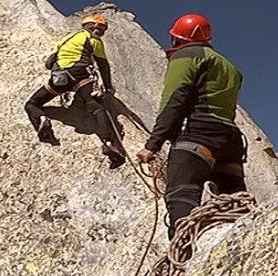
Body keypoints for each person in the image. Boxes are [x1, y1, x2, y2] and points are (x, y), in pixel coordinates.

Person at [137, 13, 246, 237]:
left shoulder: (187, 55)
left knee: (181, 195)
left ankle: (183, 256)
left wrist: (153, 144)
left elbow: (175, 99)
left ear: (178, 38)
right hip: (231, 142)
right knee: (235, 207)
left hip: (199, 135)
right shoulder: (229, 67)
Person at [25, 14, 127, 168]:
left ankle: (41, 118)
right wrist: (109, 88)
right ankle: (108, 142)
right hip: (81, 76)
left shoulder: (65, 39)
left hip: (59, 78)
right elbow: (103, 65)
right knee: (96, 107)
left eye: (102, 29)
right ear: (87, 26)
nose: (99, 30)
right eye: (96, 27)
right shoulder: (94, 41)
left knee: (32, 103)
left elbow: (49, 63)